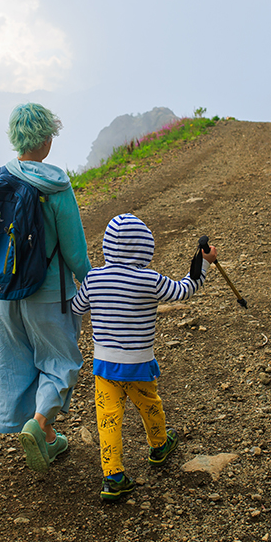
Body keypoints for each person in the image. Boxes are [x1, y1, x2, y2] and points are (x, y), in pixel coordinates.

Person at [70, 213, 218, 501]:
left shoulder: (94, 278)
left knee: (108, 419)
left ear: (107, 246)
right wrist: (204, 265)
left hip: (104, 367)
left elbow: (76, 308)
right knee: (150, 406)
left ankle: (113, 477)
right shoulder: (149, 280)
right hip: (138, 365)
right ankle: (159, 446)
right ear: (144, 248)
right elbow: (183, 290)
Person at [0, 103, 91, 474]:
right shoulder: (56, 185)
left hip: (2, 291)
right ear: (46, 139)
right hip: (46, 292)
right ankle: (40, 424)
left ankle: (45, 438)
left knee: (14, 361)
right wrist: (91, 282)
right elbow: (74, 249)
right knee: (60, 361)